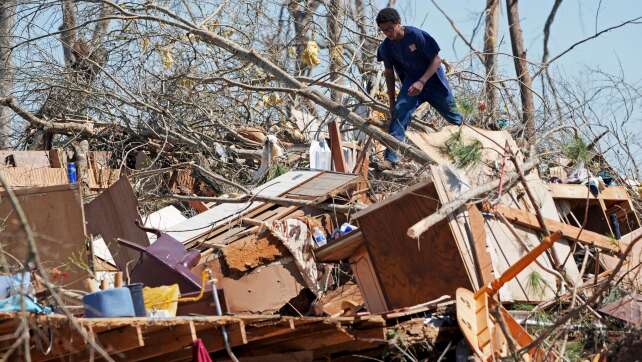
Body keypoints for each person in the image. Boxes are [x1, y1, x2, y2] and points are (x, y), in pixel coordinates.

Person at [376, 8, 462, 167]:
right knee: (400, 111)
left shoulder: (416, 35)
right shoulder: (386, 47)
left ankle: (468, 151)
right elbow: (389, 73)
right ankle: (391, 159)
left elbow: (436, 60)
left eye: (389, 28)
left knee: (455, 118)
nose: (387, 33)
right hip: (412, 84)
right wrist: (392, 102)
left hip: (434, 82)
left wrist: (422, 82)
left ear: (398, 23)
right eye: (383, 30)